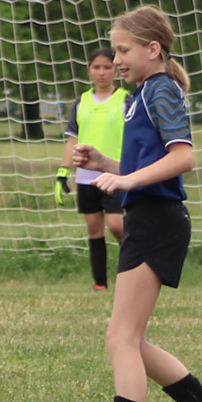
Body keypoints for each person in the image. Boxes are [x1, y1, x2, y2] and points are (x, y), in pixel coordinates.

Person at [73, 7, 202, 402]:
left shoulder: (162, 89)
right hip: (149, 218)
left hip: (158, 220)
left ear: (153, 49)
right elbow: (145, 166)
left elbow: (183, 158)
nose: (116, 60)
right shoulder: (141, 95)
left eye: (124, 50)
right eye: (113, 51)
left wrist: (127, 179)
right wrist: (104, 163)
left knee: (120, 339)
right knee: (129, 339)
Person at [56, 47, 128, 291]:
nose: (102, 72)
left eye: (107, 67)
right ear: (88, 70)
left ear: (115, 70)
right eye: (96, 67)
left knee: (117, 226)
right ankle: (100, 284)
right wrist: (63, 172)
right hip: (86, 178)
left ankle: (137, 269)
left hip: (115, 175)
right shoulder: (81, 102)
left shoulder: (125, 100)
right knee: (94, 228)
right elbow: (72, 140)